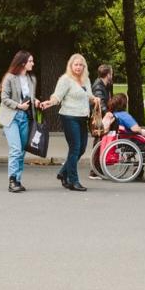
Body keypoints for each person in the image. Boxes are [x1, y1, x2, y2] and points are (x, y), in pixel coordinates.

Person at [0, 50, 54, 193]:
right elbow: (4, 98)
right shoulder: (9, 77)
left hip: (26, 118)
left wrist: (36, 101)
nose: (33, 64)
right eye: (30, 61)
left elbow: (30, 97)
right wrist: (18, 105)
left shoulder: (31, 79)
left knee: (22, 150)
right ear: (22, 63)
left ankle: (18, 179)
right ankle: (12, 180)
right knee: (15, 149)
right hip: (11, 117)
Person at [52, 53, 94, 191]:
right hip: (69, 117)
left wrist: (95, 99)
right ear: (71, 66)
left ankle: (63, 172)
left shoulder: (85, 79)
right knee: (75, 147)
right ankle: (73, 181)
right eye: (76, 65)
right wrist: (50, 102)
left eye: (81, 65)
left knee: (81, 149)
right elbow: (57, 96)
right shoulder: (65, 79)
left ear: (84, 66)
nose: (78, 67)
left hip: (83, 117)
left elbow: (88, 96)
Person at [89, 64, 114, 178]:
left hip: (101, 116)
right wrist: (106, 111)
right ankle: (95, 170)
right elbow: (100, 101)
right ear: (108, 75)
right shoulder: (99, 86)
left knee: (100, 141)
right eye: (111, 73)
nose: (112, 75)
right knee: (99, 141)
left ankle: (97, 169)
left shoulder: (106, 84)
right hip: (98, 117)